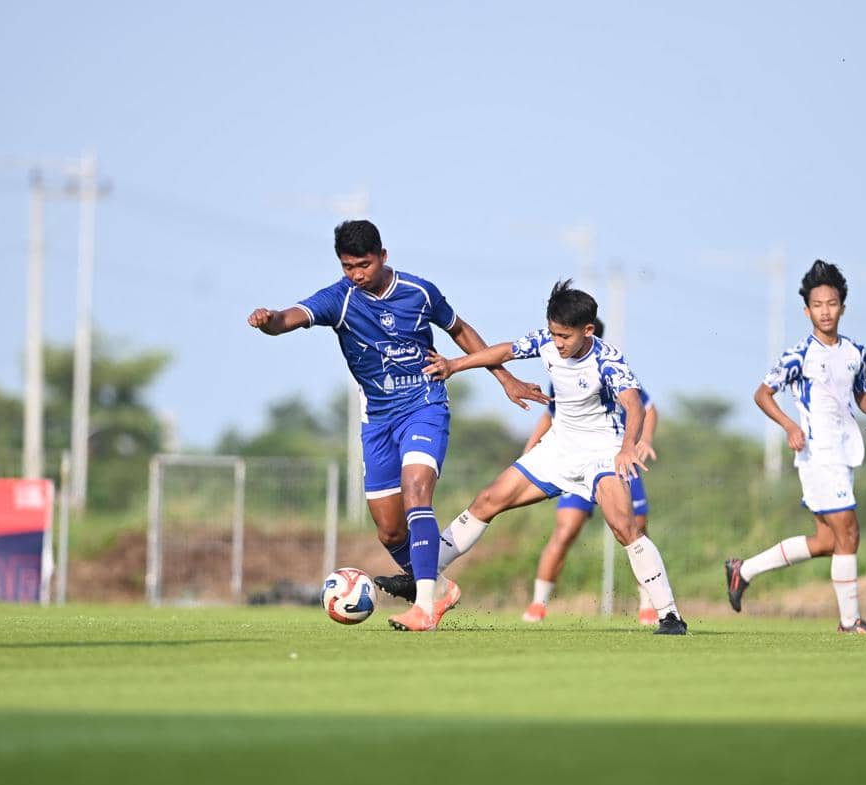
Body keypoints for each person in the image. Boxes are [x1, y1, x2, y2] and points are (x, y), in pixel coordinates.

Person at [247, 220, 546, 632]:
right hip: (378, 421)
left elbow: (459, 330)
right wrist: (270, 320)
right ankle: (437, 588)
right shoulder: (340, 298)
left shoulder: (419, 292)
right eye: (348, 266)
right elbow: (290, 317)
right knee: (389, 531)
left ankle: (423, 607)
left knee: (416, 491)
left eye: (363, 265)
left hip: (425, 404)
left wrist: (506, 379)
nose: (356, 274)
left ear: (383, 256)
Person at [420, 279, 688, 635]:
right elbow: (504, 351)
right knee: (488, 500)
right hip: (558, 448)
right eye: (553, 333)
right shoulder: (546, 341)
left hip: (601, 453)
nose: (557, 343)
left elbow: (633, 405)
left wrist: (627, 448)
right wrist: (456, 364)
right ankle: (420, 577)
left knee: (625, 528)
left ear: (587, 330)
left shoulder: (608, 361)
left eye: (565, 336)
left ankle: (670, 615)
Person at [724, 260, 866, 634]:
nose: (825, 311)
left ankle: (743, 570)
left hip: (845, 452)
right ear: (807, 310)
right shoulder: (799, 354)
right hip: (817, 454)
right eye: (818, 305)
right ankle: (850, 623)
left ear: (843, 306)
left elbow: (861, 394)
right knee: (849, 532)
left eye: (832, 303)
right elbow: (762, 394)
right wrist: (789, 426)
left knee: (828, 541)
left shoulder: (855, 352)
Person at [518, 318, 661, 626]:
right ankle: (537, 605)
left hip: (614, 461)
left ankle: (650, 604)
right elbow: (551, 416)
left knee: (636, 529)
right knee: (565, 530)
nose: (561, 344)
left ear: (589, 336)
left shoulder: (614, 370)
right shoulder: (562, 372)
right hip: (575, 461)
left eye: (567, 336)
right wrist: (531, 448)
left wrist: (643, 441)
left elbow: (646, 409)